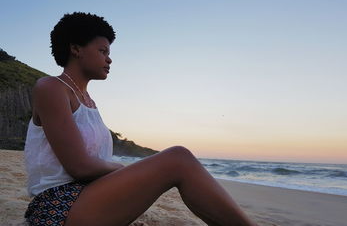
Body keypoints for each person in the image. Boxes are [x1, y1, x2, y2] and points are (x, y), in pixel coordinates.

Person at [24, 12, 257, 226]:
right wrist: (122, 168)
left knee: (178, 160)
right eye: (103, 51)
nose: (109, 59)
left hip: (90, 197)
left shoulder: (89, 102)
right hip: (58, 207)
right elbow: (80, 167)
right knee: (178, 158)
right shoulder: (51, 87)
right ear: (76, 49)